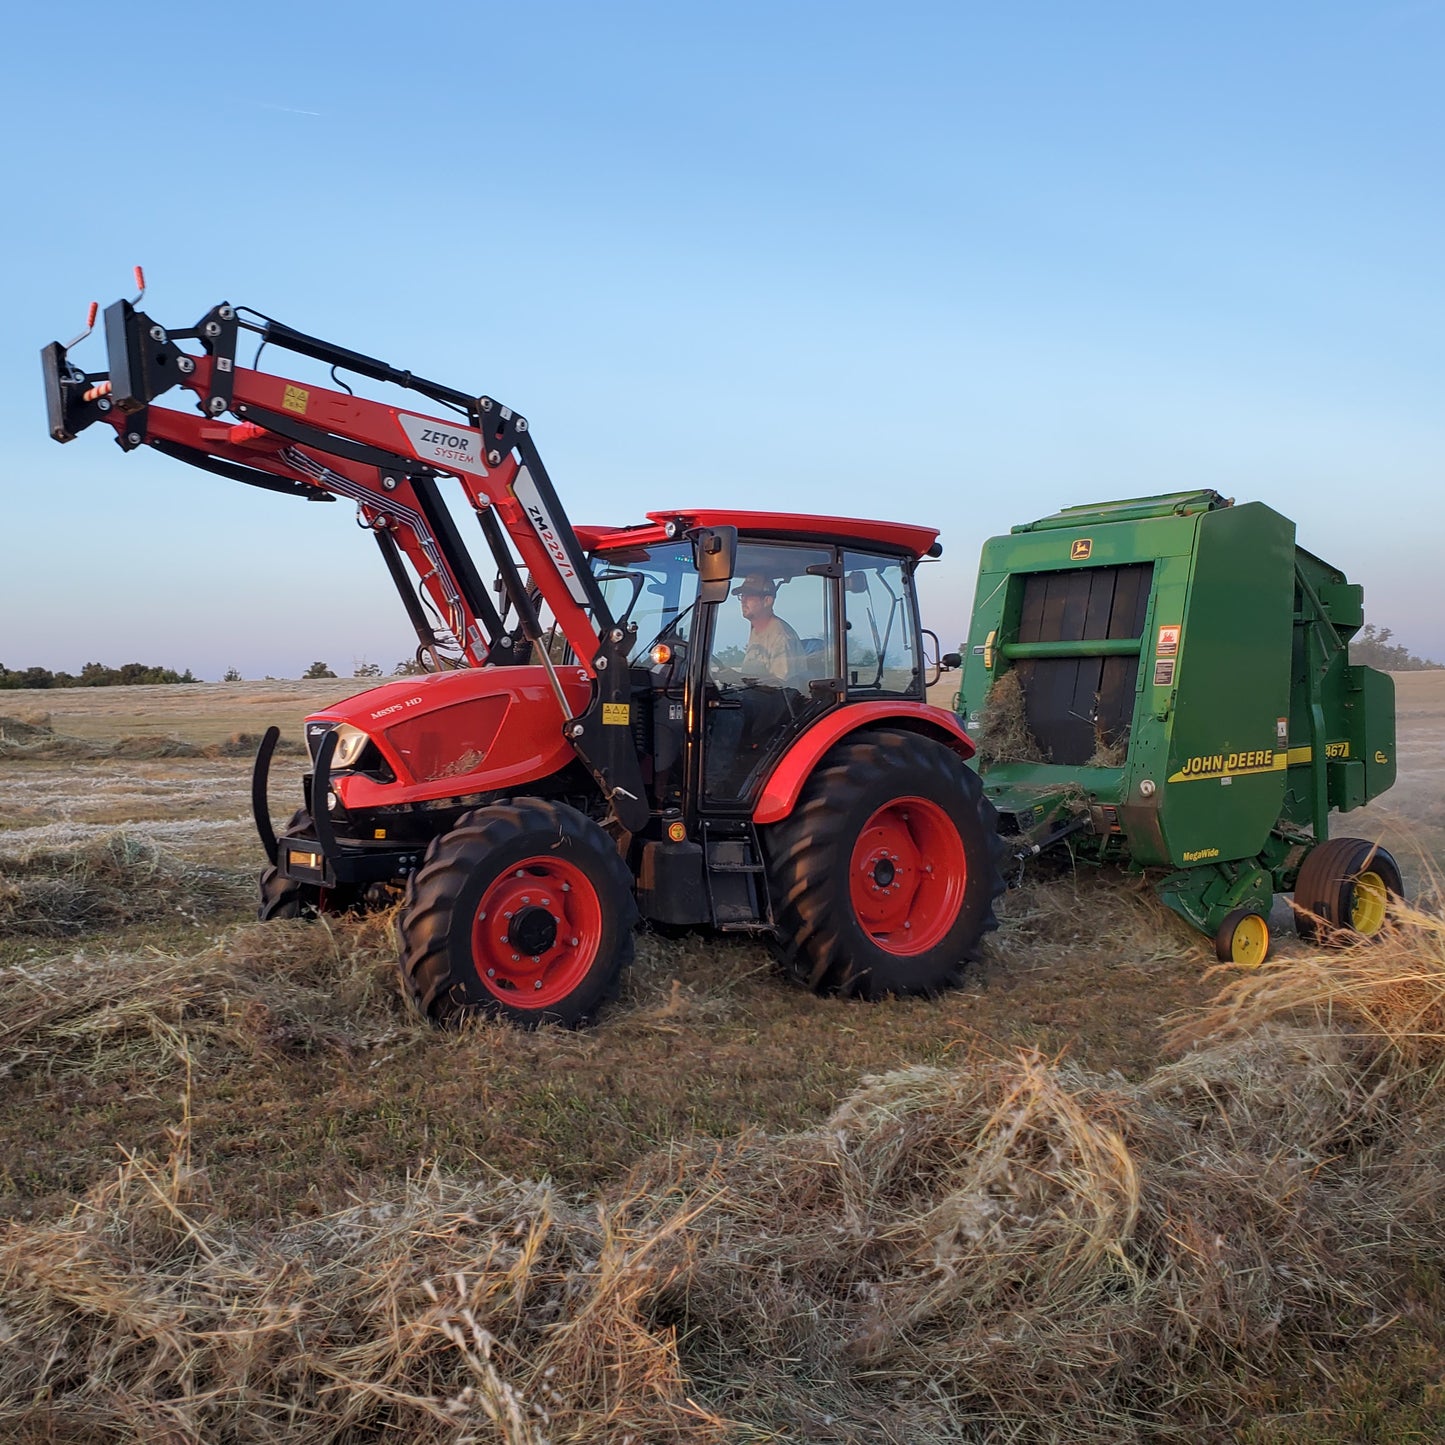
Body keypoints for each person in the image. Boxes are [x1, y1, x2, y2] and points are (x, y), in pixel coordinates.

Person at [732, 575, 806, 690]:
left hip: (780, 705)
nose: (743, 601)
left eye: (750, 596)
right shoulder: (756, 629)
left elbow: (782, 685)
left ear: (767, 601)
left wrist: (738, 678)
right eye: (742, 596)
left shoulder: (781, 636)